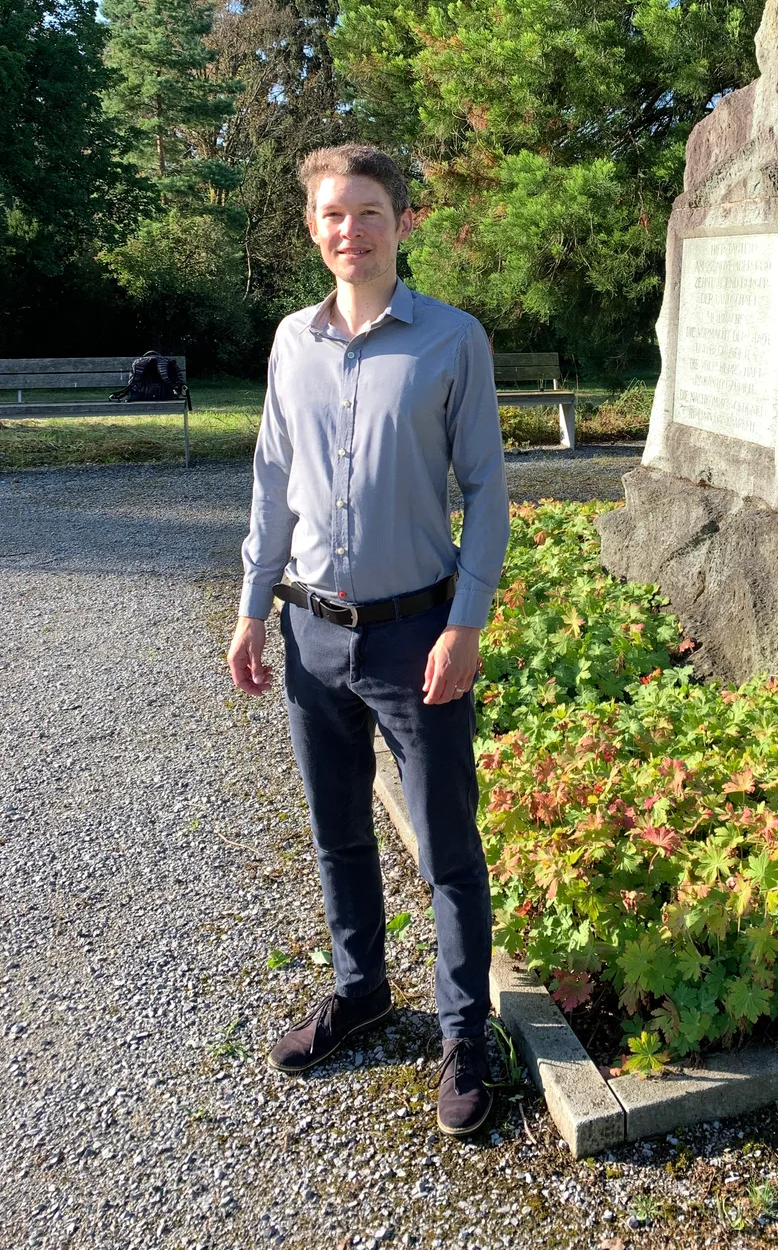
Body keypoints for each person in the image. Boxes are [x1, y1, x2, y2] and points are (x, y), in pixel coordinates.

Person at [227, 143, 509, 1138]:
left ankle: (466, 1031)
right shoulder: (290, 342)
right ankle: (362, 992)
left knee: (446, 848)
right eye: (333, 213)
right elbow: (271, 480)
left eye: (369, 211)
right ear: (314, 226)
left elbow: (487, 486)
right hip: (311, 634)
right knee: (338, 830)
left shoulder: (451, 340)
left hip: (414, 637)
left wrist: (466, 622)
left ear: (403, 221)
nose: (351, 229)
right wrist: (253, 608)